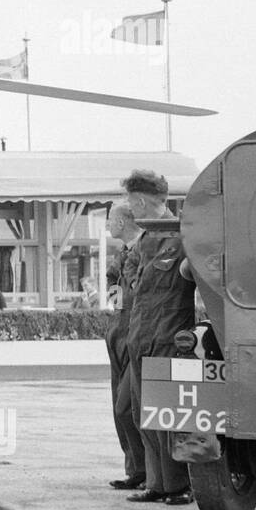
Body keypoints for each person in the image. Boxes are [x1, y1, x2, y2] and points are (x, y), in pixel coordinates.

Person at [119, 169, 195, 506]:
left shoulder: (183, 236)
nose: (130, 211)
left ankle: (181, 485)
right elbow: (132, 279)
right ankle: (157, 483)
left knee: (171, 416)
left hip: (168, 338)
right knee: (143, 414)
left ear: (140, 200)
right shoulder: (146, 240)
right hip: (141, 337)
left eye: (132, 204)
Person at [103, 200, 145, 490]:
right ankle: (135, 470)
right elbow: (115, 292)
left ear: (122, 222)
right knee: (120, 407)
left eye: (110, 219)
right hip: (119, 332)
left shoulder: (144, 249)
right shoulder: (124, 252)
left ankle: (145, 471)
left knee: (127, 407)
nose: (107, 224)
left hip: (135, 334)